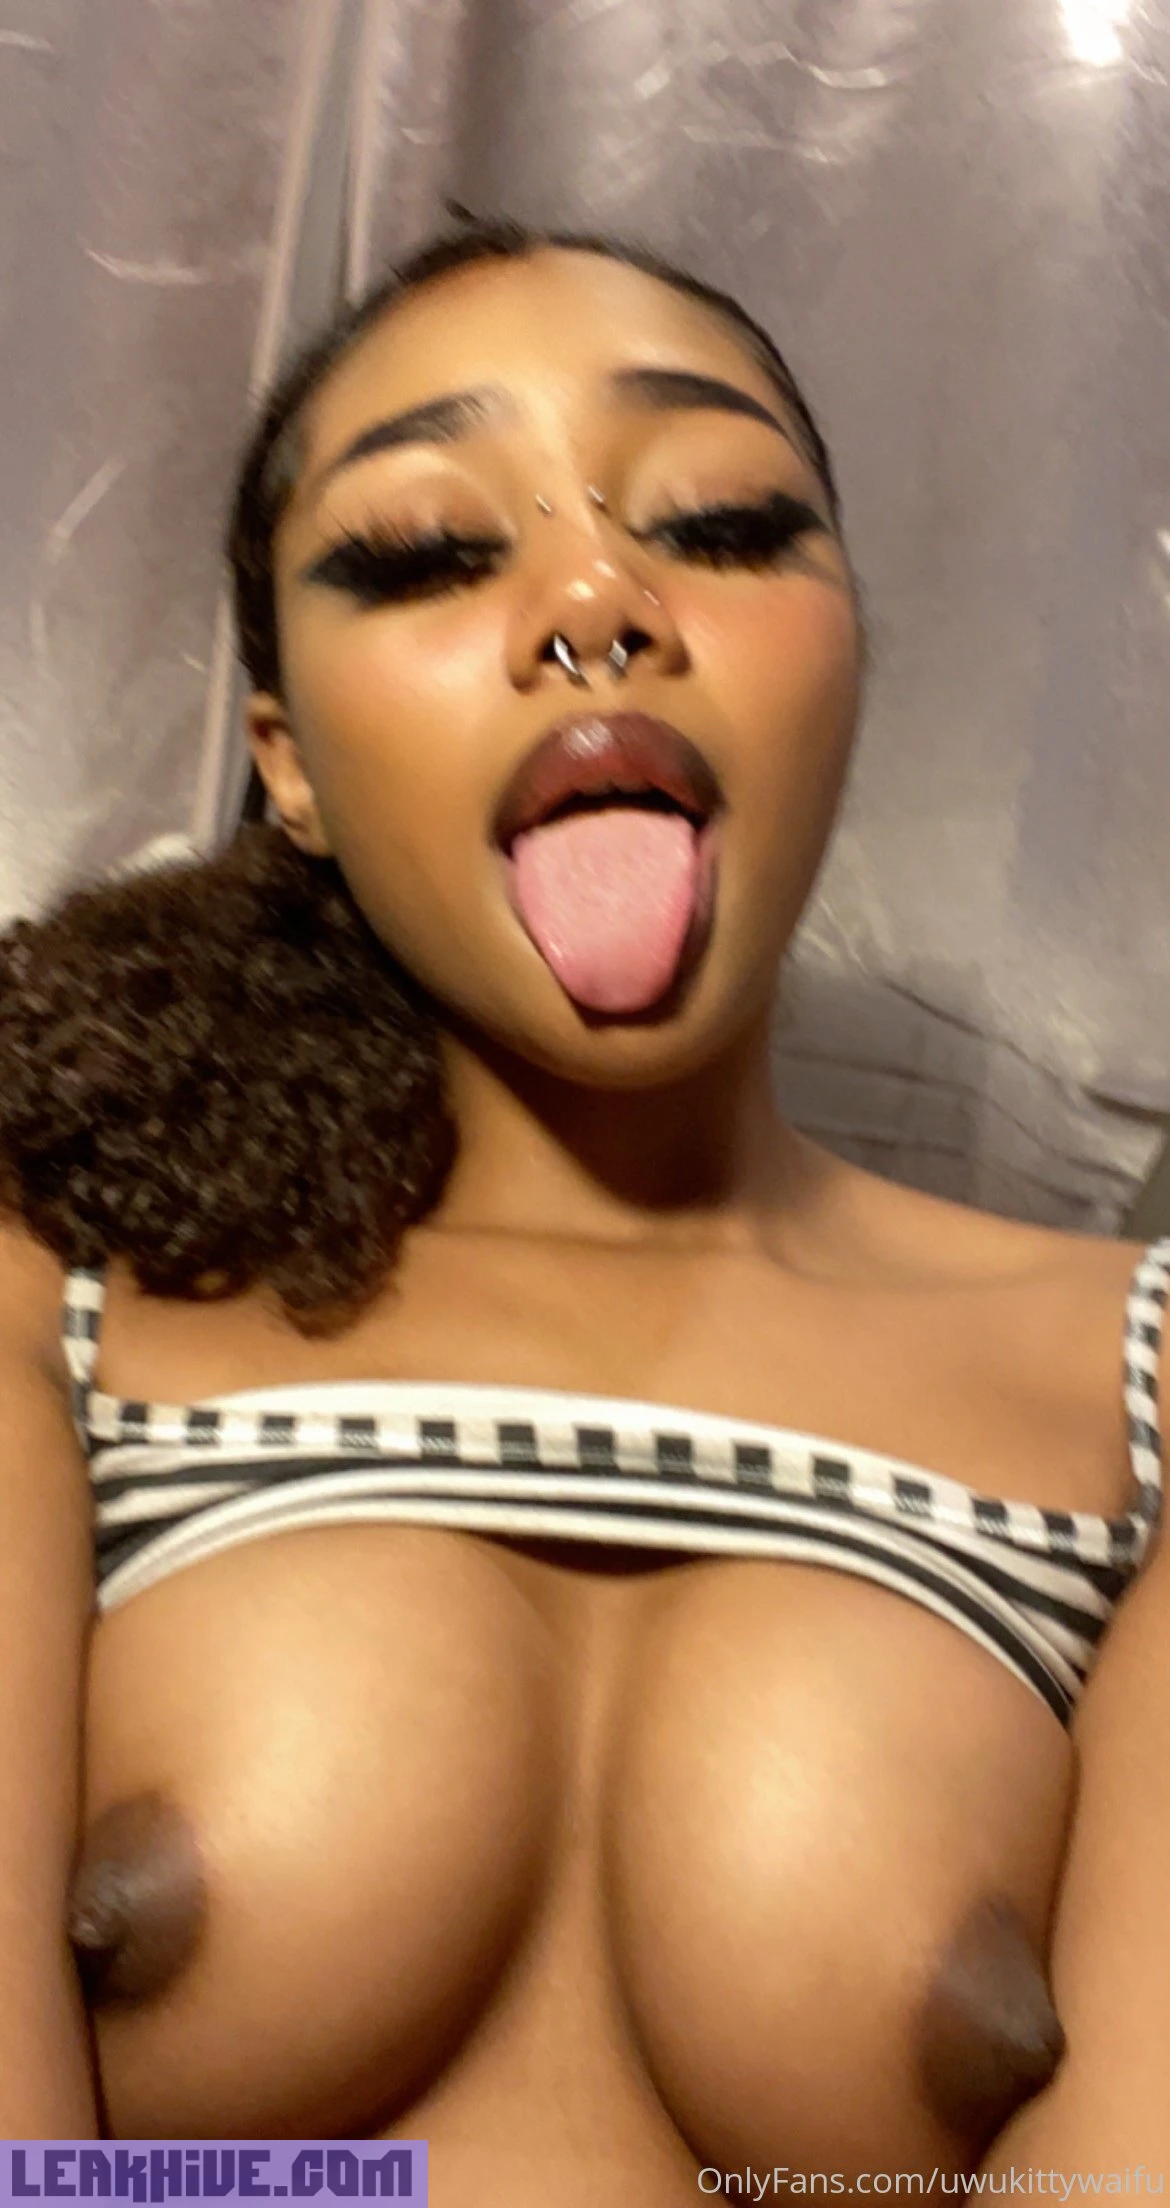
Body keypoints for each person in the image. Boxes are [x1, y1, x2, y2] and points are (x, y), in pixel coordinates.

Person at [0, 211, 1166, 2196]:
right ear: (287, 764)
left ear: (853, 659)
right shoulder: (57, 1295)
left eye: (719, 522)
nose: (596, 598)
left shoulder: (1139, 1384)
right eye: (424, 553)